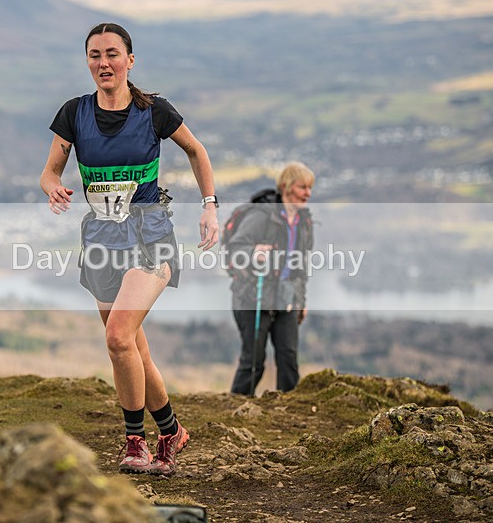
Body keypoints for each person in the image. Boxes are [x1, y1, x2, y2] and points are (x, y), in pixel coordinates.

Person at [39, 23, 218, 476]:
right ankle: (172, 431)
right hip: (101, 240)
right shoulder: (73, 114)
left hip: (150, 236)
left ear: (130, 61)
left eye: (113, 54)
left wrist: (210, 206)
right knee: (133, 347)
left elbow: (196, 151)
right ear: (87, 62)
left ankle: (135, 441)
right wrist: (54, 187)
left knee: (118, 336)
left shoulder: (154, 111)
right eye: (95, 55)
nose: (104, 63)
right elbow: (49, 171)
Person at [227, 162, 314, 395]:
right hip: (253, 297)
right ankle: (237, 407)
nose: (308, 193)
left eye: (310, 187)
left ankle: (288, 413)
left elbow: (301, 266)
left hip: (286, 299)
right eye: (302, 187)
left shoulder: (304, 222)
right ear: (286, 187)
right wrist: (254, 252)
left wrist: (301, 301)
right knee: (253, 362)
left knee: (289, 359)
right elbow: (235, 248)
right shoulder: (261, 216)